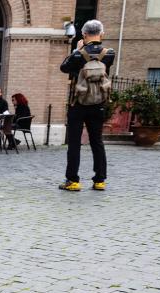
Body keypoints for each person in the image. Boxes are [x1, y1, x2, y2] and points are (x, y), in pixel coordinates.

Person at [59, 19, 114, 191]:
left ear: (84, 34)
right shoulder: (109, 54)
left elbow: (64, 68)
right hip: (98, 103)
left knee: (74, 142)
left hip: (78, 102)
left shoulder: (78, 55)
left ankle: (73, 181)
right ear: (102, 34)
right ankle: (99, 180)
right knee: (97, 141)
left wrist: (78, 49)